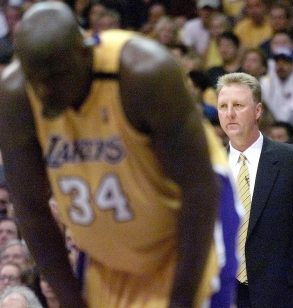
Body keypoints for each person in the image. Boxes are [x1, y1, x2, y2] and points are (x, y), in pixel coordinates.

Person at [0, 2, 239, 308]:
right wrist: (73, 301)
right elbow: (31, 209)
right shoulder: (17, 95)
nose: (46, 93)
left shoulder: (144, 73)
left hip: (184, 231)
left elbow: (200, 190)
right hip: (107, 254)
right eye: (37, 83)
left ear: (85, 53)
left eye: (56, 78)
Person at [217, 72, 293, 307]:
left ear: (258, 111)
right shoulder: (206, 166)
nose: (229, 113)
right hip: (223, 297)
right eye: (223, 106)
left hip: (281, 298)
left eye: (238, 105)